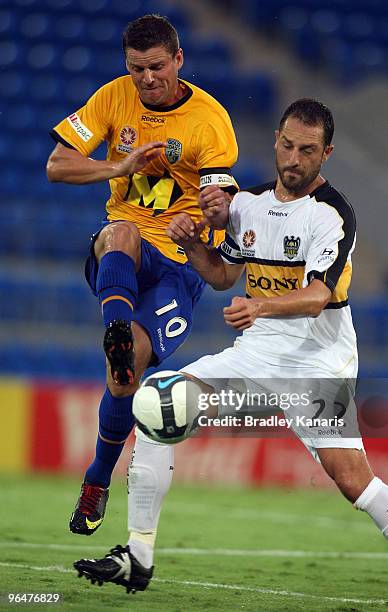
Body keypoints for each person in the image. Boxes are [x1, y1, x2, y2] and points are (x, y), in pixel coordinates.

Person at [73, 98, 388, 600]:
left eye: (306, 150)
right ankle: (137, 556)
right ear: (276, 140)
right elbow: (223, 277)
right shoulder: (249, 204)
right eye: (287, 145)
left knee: (354, 482)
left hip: (319, 362)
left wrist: (260, 308)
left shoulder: (332, 215)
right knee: (157, 406)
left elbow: (316, 297)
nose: (293, 158)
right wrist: (194, 244)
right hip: (257, 351)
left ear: (326, 153)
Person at [46, 14, 238, 537]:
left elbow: (223, 206)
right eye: (136, 69)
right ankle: (115, 328)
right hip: (125, 252)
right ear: (126, 66)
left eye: (156, 67)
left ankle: (97, 480)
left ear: (178, 60)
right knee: (120, 230)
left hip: (180, 264)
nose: (147, 79)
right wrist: (118, 168)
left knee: (123, 375)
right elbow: (57, 165)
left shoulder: (210, 120)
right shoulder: (112, 98)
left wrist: (201, 221)